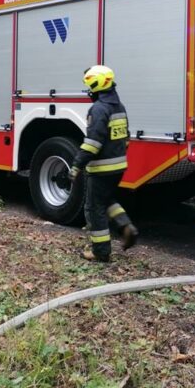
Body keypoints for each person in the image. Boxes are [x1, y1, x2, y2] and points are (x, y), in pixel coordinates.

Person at [68, 65, 138, 262]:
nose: (89, 91)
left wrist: (76, 166)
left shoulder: (98, 109)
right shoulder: (119, 107)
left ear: (96, 85)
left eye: (90, 86)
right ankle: (125, 225)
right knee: (106, 200)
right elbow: (126, 139)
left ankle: (101, 251)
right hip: (118, 167)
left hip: (101, 169)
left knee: (94, 208)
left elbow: (92, 144)